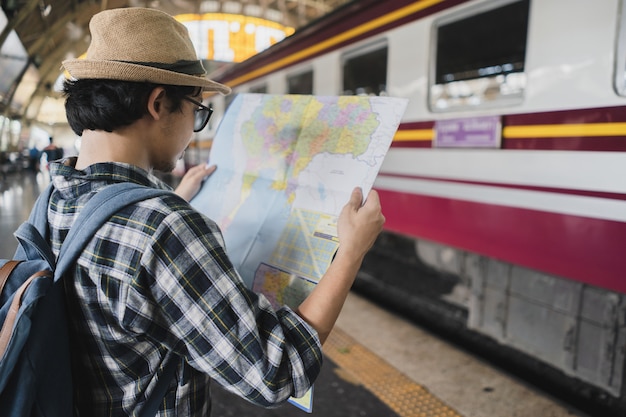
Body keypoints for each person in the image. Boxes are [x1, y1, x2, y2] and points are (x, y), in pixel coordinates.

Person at [56, 7, 384, 416]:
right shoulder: (163, 228)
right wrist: (350, 252)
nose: (196, 125)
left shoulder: (57, 196)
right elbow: (276, 372)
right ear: (159, 103)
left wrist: (169, 199)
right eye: (197, 110)